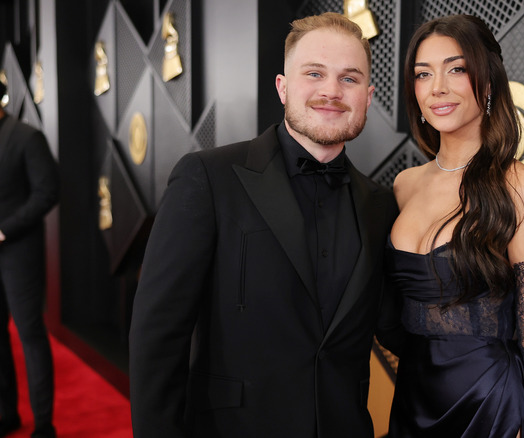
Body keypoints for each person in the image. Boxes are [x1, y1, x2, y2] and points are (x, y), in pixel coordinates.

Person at [128, 12, 398, 438]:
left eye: (350, 78)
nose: (331, 90)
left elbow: (395, 327)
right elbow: (157, 335)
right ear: (283, 87)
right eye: (314, 73)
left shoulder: (380, 205)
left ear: (368, 95)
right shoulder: (208, 177)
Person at [380, 14, 524, 437]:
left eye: (456, 69)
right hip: (412, 398)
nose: (437, 87)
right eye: (423, 74)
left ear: (489, 81)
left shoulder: (520, 188)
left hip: (488, 404)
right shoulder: (404, 185)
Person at [0, 81, 59, 438]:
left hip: (19, 251)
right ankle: (7, 414)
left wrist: (4, 230)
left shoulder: (26, 137)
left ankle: (43, 425)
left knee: (30, 335)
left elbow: (47, 192)